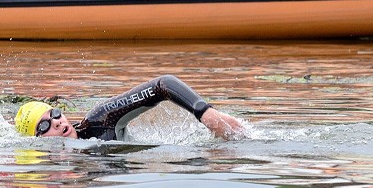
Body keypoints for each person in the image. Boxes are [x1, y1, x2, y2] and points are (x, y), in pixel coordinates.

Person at [14, 75, 246, 141]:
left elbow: (162, 84)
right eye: (44, 125)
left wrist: (205, 112)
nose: (56, 122)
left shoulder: (100, 120)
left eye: (54, 114)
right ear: (36, 140)